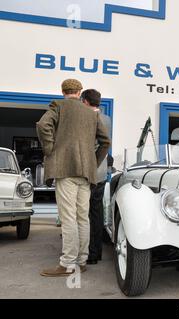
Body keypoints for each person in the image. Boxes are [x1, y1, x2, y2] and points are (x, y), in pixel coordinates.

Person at [37, 79, 111, 277]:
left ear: (63, 91)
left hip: (66, 171)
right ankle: (81, 260)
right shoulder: (92, 114)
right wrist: (93, 163)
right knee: (82, 217)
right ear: (79, 92)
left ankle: (68, 263)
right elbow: (105, 142)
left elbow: (43, 125)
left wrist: (50, 150)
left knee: (68, 217)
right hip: (86, 173)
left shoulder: (58, 106)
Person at [81, 89, 112, 265]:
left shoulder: (86, 118)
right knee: (96, 212)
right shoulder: (106, 119)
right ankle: (96, 252)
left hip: (88, 171)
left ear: (85, 101)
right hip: (101, 172)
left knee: (83, 213)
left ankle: (86, 252)